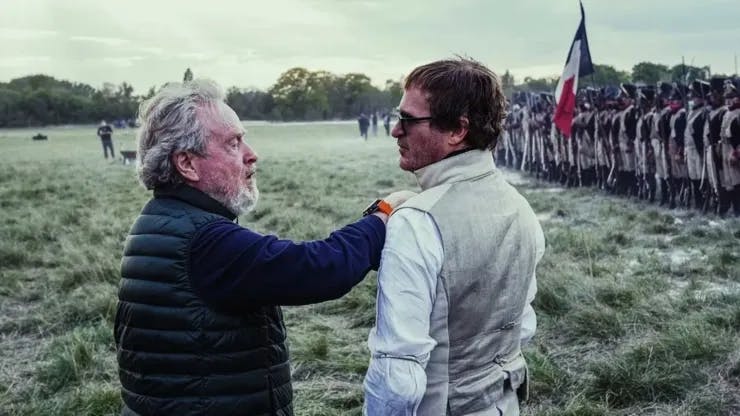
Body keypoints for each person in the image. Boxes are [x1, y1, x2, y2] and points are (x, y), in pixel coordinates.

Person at [113, 79, 415, 416]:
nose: (251, 154)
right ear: (187, 164)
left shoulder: (160, 219)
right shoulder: (206, 241)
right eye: (233, 143)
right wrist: (383, 215)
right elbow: (318, 268)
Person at [363, 57, 545, 415]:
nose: (395, 131)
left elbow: (396, 371)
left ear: (457, 131)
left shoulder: (416, 222)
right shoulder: (521, 207)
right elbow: (521, 326)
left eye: (409, 120)